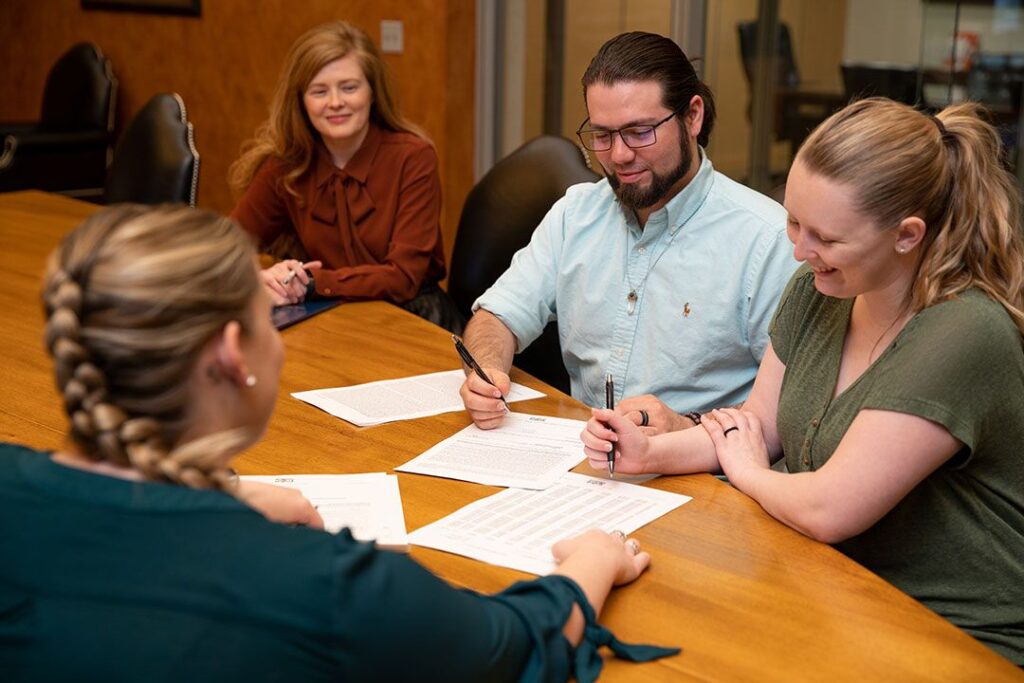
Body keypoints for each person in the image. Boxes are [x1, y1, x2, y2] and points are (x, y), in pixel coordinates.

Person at [0, 204, 680, 680]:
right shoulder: (317, 583)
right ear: (236, 353)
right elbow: (514, 646)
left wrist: (228, 489)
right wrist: (592, 557)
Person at [582, 98, 1024, 664]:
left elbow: (829, 508)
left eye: (825, 237)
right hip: (832, 585)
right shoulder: (823, 288)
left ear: (907, 235)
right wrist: (652, 452)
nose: (799, 250)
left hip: (950, 633)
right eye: (793, 221)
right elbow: (760, 427)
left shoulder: (964, 332)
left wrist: (745, 472)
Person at [459, 31, 796, 434]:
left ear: (693, 116)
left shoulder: (766, 240)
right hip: (583, 456)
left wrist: (686, 425)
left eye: (640, 132)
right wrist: (486, 370)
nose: (619, 156)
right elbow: (497, 316)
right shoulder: (575, 215)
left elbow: (791, 401)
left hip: (704, 473)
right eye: (602, 135)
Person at [229, 21, 461, 332]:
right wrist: (261, 278)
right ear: (300, 101)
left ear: (372, 93)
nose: (335, 102)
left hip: (416, 318)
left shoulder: (414, 157)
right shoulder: (287, 165)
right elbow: (226, 245)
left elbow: (403, 277)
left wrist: (313, 282)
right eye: (319, 91)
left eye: (349, 87)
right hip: (333, 319)